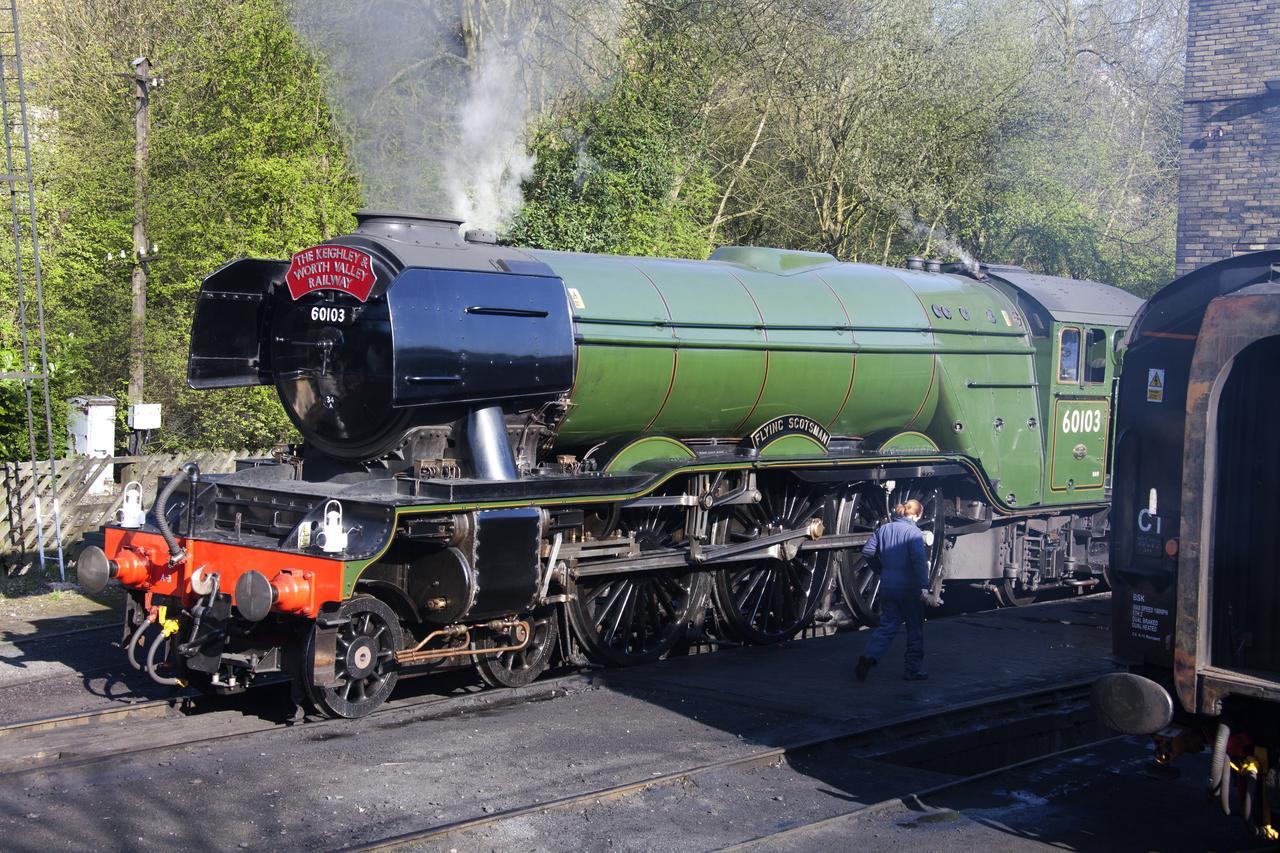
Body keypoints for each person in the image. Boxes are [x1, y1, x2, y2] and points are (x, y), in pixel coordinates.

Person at [855, 498, 930, 681]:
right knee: (914, 629)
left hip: (888, 586)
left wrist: (880, 569)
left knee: (888, 626)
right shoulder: (914, 534)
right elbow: (919, 562)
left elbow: (867, 552)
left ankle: (868, 658)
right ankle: (912, 669)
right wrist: (924, 586)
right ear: (916, 514)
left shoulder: (883, 529)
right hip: (909, 588)